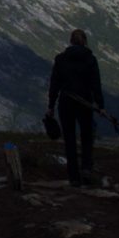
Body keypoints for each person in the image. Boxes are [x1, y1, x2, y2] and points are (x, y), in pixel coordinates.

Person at [46, 28, 106, 187]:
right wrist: (101, 106)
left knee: (69, 138)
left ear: (71, 41)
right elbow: (96, 85)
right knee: (87, 135)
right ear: (85, 41)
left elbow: (54, 85)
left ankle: (73, 177)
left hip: (66, 102)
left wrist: (51, 105)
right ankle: (86, 168)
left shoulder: (61, 59)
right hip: (84, 102)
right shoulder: (90, 59)